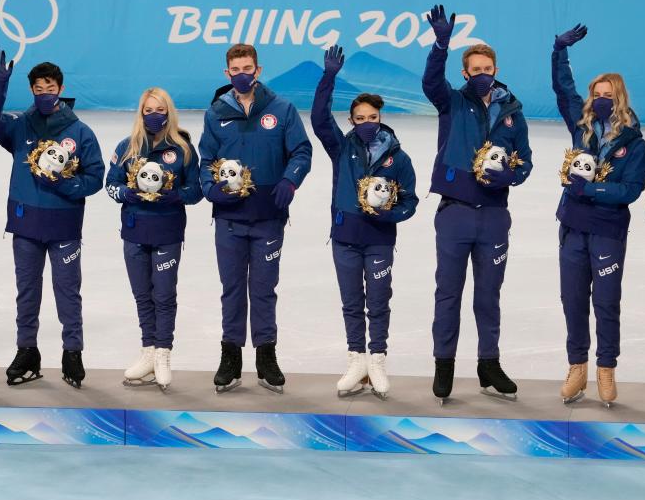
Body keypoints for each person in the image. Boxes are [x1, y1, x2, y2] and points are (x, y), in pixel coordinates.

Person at [422, 4, 533, 404]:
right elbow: (431, 82)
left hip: (494, 217)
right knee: (448, 293)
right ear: (465, 73)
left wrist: (511, 176)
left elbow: (527, 160)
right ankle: (444, 366)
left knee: (489, 296)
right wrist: (440, 45)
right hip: (454, 213)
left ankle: (489, 365)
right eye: (476, 69)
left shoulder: (512, 112)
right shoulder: (451, 102)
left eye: (489, 68)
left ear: (495, 69)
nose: (483, 74)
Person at [0, 50, 104, 389]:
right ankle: (27, 351)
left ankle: (72, 353)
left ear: (60, 88)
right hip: (26, 225)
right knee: (27, 293)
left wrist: (65, 183)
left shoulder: (80, 132)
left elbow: (96, 178)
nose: (44, 93)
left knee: (67, 292)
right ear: (31, 90)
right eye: (37, 88)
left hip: (64, 226)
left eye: (49, 87)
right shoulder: (20, 126)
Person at [198, 43, 312, 394]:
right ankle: (230, 356)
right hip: (230, 219)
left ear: (258, 70)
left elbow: (301, 150)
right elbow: (205, 161)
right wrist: (210, 189)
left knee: (263, 290)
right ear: (227, 73)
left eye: (248, 68)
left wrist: (290, 180)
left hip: (268, 218)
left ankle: (266, 356)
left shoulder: (281, 109)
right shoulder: (216, 113)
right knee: (232, 290)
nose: (242, 74)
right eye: (236, 69)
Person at [310, 45, 418, 399]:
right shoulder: (341, 149)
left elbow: (410, 200)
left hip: (380, 239)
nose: (367, 123)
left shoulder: (398, 158)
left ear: (380, 117)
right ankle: (356, 359)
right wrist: (328, 77)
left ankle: (378, 359)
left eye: (373, 117)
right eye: (360, 118)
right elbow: (318, 119)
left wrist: (390, 214)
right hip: (345, 236)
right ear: (352, 122)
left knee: (379, 299)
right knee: (352, 300)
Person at [550, 24, 645, 407]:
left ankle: (606, 369)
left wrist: (588, 189)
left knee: (606, 302)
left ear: (620, 98)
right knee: (573, 300)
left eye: (608, 95)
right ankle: (577, 368)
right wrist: (559, 51)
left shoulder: (635, 144)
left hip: (608, 231)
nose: (601, 100)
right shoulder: (582, 125)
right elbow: (563, 89)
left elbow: (630, 191)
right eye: (597, 94)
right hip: (573, 228)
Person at [105, 87, 202, 390]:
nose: (154, 115)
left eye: (159, 110)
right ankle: (148, 350)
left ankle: (163, 353)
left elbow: (197, 191)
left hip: (167, 233)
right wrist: (127, 193)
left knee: (164, 295)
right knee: (142, 295)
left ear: (169, 112)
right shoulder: (127, 147)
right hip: (135, 232)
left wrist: (174, 196)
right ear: (141, 113)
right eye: (148, 110)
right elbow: (110, 184)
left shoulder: (183, 148)